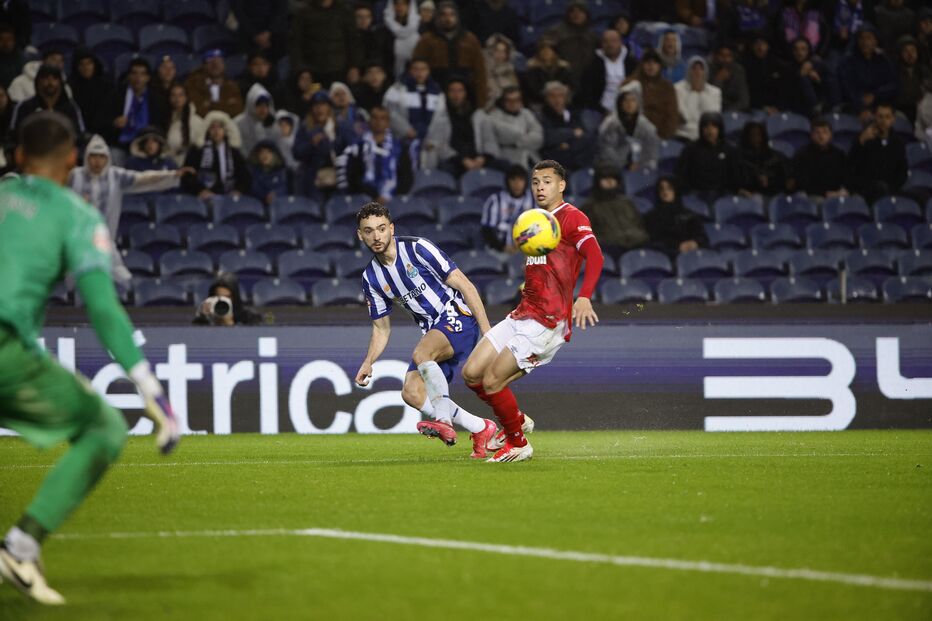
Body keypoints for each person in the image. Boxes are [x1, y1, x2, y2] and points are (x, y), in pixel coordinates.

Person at [0, 112, 178, 605]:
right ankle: (21, 545)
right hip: (5, 353)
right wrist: (151, 389)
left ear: (17, 156)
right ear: (73, 161)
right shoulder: (76, 214)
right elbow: (101, 307)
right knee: (104, 427)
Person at [461, 160, 604, 463]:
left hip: (547, 322)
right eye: (536, 181)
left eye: (547, 181)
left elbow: (595, 255)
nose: (540, 187)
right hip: (523, 312)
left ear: (561, 185)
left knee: (492, 381)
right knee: (472, 374)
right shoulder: (533, 220)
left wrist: (585, 297)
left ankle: (518, 442)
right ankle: (516, 419)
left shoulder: (572, 217)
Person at [353, 201, 498, 459]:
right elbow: (381, 328)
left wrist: (488, 333)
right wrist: (368, 361)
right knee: (411, 391)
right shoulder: (371, 278)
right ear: (360, 235)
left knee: (422, 354)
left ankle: (444, 420)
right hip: (432, 331)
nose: (376, 236)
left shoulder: (418, 248)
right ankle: (482, 428)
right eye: (369, 230)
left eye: (381, 228)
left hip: (457, 316)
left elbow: (466, 286)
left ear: (391, 228)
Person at [69, 134, 191, 282]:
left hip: (105, 241)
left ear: (107, 158)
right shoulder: (73, 176)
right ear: (87, 157)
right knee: (74, 283)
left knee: (123, 280)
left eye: (101, 157)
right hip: (77, 242)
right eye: (93, 156)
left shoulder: (116, 176)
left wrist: (172, 174)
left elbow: (144, 178)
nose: (97, 161)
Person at [412, 1, 488, 108]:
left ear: (457, 16)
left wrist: (481, 103)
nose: (448, 18)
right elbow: (417, 70)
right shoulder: (427, 40)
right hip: (435, 95)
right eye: (443, 14)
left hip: (466, 97)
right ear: (437, 17)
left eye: (452, 14)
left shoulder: (470, 40)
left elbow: (480, 74)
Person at [336, 105, 412, 203]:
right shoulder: (358, 147)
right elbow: (353, 177)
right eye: (375, 117)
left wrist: (390, 197)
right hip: (364, 201)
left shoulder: (400, 148)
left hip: (394, 202)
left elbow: (406, 177)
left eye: (382, 118)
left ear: (388, 123)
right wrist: (374, 196)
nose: (378, 122)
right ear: (369, 121)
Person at [580, 164, 648, 258]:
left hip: (637, 244)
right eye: (605, 178)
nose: (610, 181)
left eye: (613, 178)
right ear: (598, 181)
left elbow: (639, 225)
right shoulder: (589, 207)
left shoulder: (627, 203)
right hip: (609, 250)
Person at [289, 0, 362, 87]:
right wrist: (301, 70)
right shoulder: (303, 13)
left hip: (340, 71)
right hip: (311, 71)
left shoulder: (345, 12)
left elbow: (354, 42)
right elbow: (295, 45)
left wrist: (354, 66)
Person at [675, 111, 744, 202]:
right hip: (697, 196)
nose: (710, 130)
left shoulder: (730, 150)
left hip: (723, 196)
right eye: (706, 126)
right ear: (701, 128)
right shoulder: (690, 150)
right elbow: (682, 177)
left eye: (714, 126)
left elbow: (735, 177)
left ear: (720, 128)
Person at [181, 111, 252, 199]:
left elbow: (245, 176)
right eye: (212, 127)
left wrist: (238, 190)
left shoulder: (233, 151)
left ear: (225, 130)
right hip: (202, 197)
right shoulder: (197, 150)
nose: (216, 131)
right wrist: (200, 190)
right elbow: (187, 175)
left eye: (220, 127)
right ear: (207, 130)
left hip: (230, 196)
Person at [847, 102, 908, 203]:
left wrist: (892, 187)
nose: (883, 121)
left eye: (887, 117)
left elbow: (902, 171)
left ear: (893, 119)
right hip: (866, 189)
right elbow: (851, 164)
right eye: (880, 116)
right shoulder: (863, 139)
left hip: (890, 189)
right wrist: (861, 142)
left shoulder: (898, 143)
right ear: (874, 117)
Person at [10, 64, 84, 137]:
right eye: (45, 78)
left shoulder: (71, 108)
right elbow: (15, 134)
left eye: (54, 78)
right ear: (38, 81)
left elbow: (79, 134)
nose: (50, 82)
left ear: (60, 82)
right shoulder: (24, 107)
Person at [838, 25, 896, 117]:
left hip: (881, 107)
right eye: (861, 38)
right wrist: (861, 107)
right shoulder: (848, 61)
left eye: (869, 38)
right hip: (854, 107)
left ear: (876, 41)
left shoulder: (883, 61)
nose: (865, 42)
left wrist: (875, 95)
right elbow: (847, 88)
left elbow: (893, 84)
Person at [383, 58, 443, 146]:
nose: (419, 72)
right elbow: (390, 111)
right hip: (402, 140)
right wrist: (406, 130)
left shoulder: (437, 91)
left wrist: (433, 138)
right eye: (415, 69)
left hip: (429, 144)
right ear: (409, 71)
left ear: (428, 71)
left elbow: (441, 117)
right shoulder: (397, 88)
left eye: (423, 69)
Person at [621, 49, 679, 140]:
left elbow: (672, 116)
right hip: (632, 135)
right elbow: (622, 113)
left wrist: (662, 136)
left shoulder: (667, 87)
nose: (651, 65)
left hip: (659, 136)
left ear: (660, 66)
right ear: (642, 65)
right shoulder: (629, 84)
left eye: (655, 62)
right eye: (647, 62)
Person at [644, 176, 708, 258]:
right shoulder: (651, 216)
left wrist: (695, 243)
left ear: (676, 191)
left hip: (693, 255)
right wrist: (677, 246)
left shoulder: (689, 214)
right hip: (667, 255)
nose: (665, 192)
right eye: (661, 189)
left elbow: (702, 237)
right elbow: (654, 241)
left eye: (669, 188)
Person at [538, 81, 595, 171]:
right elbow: (548, 138)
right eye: (552, 96)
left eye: (560, 96)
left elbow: (584, 136)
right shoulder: (542, 116)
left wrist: (566, 144)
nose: (557, 100)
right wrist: (572, 133)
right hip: (553, 161)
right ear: (546, 98)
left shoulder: (573, 114)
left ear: (565, 98)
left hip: (576, 159)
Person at [597, 90, 660, 172]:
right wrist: (622, 165)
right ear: (620, 104)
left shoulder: (644, 123)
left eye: (633, 100)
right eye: (626, 100)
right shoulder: (611, 123)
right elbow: (606, 148)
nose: (629, 104)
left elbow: (651, 146)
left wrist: (639, 163)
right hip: (612, 164)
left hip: (639, 164)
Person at [111, 58, 167, 148]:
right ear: (128, 76)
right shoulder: (117, 95)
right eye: (134, 73)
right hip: (120, 144)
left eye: (142, 74)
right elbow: (101, 120)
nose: (138, 78)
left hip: (148, 145)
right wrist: (114, 122)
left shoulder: (156, 98)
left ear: (148, 78)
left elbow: (161, 125)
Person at [483, 86, 544, 168]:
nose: (513, 103)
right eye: (509, 100)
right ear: (503, 101)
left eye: (517, 100)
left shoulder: (526, 113)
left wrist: (516, 143)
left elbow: (538, 138)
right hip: (509, 160)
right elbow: (512, 134)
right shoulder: (494, 117)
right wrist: (527, 137)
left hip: (532, 157)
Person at [580, 28, 637, 113]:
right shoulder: (592, 65)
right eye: (606, 41)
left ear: (620, 42)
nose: (610, 45)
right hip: (600, 110)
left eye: (614, 41)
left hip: (628, 108)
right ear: (601, 44)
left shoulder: (632, 63)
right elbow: (587, 93)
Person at [545, 0, 599, 90]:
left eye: (580, 12)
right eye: (572, 11)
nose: (576, 15)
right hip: (563, 80)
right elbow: (545, 50)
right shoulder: (556, 32)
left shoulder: (591, 35)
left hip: (587, 81)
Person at [791, 117, 850, 198]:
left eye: (825, 132)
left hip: (835, 194)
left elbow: (845, 177)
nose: (821, 136)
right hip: (811, 195)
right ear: (811, 135)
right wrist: (825, 193)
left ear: (830, 135)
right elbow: (801, 183)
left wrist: (840, 191)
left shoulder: (839, 154)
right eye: (817, 133)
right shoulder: (802, 155)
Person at [481, 164, 533, 253]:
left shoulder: (535, 201)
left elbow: (540, 227)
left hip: (528, 250)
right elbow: (487, 230)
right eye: (513, 179)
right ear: (507, 182)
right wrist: (502, 247)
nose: (517, 184)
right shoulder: (494, 200)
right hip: (498, 251)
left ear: (525, 182)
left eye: (520, 179)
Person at [183, 49, 244, 118]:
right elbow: (198, 110)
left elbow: (237, 109)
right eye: (211, 62)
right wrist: (226, 104)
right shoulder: (194, 83)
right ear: (204, 66)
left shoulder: (231, 85)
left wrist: (210, 104)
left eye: (219, 62)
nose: (216, 66)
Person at [68, 49, 114, 140]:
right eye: (81, 64)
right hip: (78, 136)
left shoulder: (106, 85)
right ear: (77, 67)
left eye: (89, 63)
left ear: (94, 65)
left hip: (104, 135)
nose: (86, 67)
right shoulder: (69, 87)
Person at [674, 56, 722, 141]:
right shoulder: (677, 89)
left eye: (701, 69)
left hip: (707, 135)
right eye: (694, 68)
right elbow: (684, 116)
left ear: (705, 72)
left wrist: (701, 93)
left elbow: (713, 116)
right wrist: (693, 93)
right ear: (688, 70)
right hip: (683, 135)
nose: (697, 72)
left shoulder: (715, 92)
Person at [737, 121, 790, 196]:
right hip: (750, 195)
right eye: (752, 135)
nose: (756, 138)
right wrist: (756, 180)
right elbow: (739, 181)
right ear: (747, 137)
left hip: (775, 193)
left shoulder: (776, 156)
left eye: (758, 135)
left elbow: (785, 178)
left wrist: (769, 180)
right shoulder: (739, 158)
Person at [782, 36, 832, 116]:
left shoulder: (817, 66)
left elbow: (827, 91)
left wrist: (818, 82)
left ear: (808, 51)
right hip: (793, 110)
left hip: (816, 110)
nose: (799, 53)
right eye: (796, 49)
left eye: (803, 49)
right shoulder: (787, 69)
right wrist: (801, 75)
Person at [193, 273, 263, 326]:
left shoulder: (250, 317)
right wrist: (203, 319)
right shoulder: (204, 318)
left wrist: (230, 323)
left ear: (235, 297)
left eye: (227, 297)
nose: (223, 301)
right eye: (218, 297)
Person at [523, 38, 574, 108]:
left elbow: (571, 85)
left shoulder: (563, 68)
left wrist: (561, 96)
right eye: (543, 50)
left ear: (554, 52)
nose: (546, 53)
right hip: (539, 102)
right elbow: (532, 89)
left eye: (549, 50)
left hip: (563, 101)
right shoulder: (532, 68)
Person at [164, 83, 206, 167]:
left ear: (186, 98)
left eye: (181, 95)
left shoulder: (196, 121)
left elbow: (201, 146)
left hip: (188, 166)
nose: (177, 99)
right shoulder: (164, 119)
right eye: (173, 95)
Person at [894, 37, 931, 123]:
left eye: (913, 50)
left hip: (922, 111)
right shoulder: (894, 71)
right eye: (905, 51)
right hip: (901, 111)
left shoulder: (923, 71)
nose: (910, 54)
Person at [235, 83, 278, 155]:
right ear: (251, 105)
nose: (263, 110)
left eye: (265, 106)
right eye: (259, 106)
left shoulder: (274, 124)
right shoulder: (238, 124)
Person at [383, 0, 421, 78]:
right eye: (396, 4)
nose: (400, 7)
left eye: (404, 4)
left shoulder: (420, 29)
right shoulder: (382, 31)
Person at [483, 34, 519, 112]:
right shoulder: (483, 71)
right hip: (490, 110)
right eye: (497, 51)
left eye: (504, 51)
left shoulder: (510, 71)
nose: (500, 55)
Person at [354, 2, 394, 74]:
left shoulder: (379, 37)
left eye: (367, 16)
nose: (364, 20)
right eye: (359, 17)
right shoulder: (348, 38)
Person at [709, 43, 749, 112]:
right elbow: (708, 98)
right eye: (722, 56)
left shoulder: (738, 71)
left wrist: (730, 111)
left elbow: (744, 100)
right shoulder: (708, 70)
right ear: (715, 57)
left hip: (734, 111)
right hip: (714, 110)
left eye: (728, 56)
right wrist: (718, 80)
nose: (725, 59)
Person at [248, 139, 289, 205]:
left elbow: (285, 188)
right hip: (256, 208)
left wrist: (276, 194)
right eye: (262, 152)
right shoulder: (251, 172)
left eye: (268, 152)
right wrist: (266, 195)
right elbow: (253, 188)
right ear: (257, 155)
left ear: (274, 155)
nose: (265, 155)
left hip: (279, 208)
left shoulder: (283, 172)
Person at [0, 24, 24, 89]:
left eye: (9, 39)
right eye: (1, 39)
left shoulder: (22, 57)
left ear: (14, 41)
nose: (5, 43)